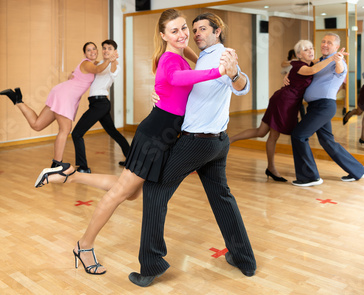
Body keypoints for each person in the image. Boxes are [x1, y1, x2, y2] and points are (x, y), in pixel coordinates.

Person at [35, 9, 235, 276]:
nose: (183, 34)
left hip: (164, 133)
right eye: (174, 31)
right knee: (120, 194)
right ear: (163, 35)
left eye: (184, 28)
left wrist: (192, 54)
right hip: (155, 136)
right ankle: (84, 246)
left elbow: (185, 73)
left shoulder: (180, 54)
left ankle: (69, 175)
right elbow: (178, 79)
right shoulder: (167, 59)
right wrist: (218, 70)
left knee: (131, 191)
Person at [128, 12, 255, 287]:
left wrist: (234, 73)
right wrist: (159, 92)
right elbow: (181, 81)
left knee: (154, 191)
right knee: (222, 198)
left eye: (201, 29)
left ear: (217, 31)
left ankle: (151, 265)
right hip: (217, 143)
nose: (194, 34)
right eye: (191, 29)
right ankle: (243, 258)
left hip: (197, 143)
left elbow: (241, 85)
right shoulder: (200, 57)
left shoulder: (221, 57)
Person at [229, 40, 340, 182]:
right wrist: (333, 57)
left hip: (284, 99)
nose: (311, 51)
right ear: (299, 55)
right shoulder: (301, 65)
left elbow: (317, 62)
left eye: (311, 48)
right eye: (306, 50)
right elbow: (313, 70)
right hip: (284, 102)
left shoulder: (309, 63)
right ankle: (271, 168)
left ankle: (230, 140)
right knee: (272, 135)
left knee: (262, 132)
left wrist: (332, 57)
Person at [0, 42, 115, 171]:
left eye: (94, 49)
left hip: (60, 93)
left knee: (37, 125)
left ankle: (17, 100)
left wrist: (110, 60)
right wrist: (110, 58)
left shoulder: (93, 64)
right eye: (89, 50)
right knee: (65, 130)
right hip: (65, 97)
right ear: (85, 54)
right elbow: (99, 69)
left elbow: (98, 68)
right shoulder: (87, 63)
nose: (92, 51)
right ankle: (57, 164)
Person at [290, 33, 364, 186]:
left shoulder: (338, 61)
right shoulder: (321, 60)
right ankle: (358, 170)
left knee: (299, 135)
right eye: (323, 41)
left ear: (337, 47)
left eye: (330, 43)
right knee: (327, 141)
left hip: (324, 106)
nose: (325, 44)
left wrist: (338, 60)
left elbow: (340, 70)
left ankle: (310, 177)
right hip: (316, 106)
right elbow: (300, 65)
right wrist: (288, 74)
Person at [71, 40, 130, 173]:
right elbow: (89, 70)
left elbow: (113, 70)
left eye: (109, 48)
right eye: (104, 48)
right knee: (113, 132)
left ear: (115, 51)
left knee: (77, 133)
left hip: (100, 104)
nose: (105, 51)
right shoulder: (98, 64)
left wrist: (113, 60)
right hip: (97, 103)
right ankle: (132, 160)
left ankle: (83, 167)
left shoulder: (114, 65)